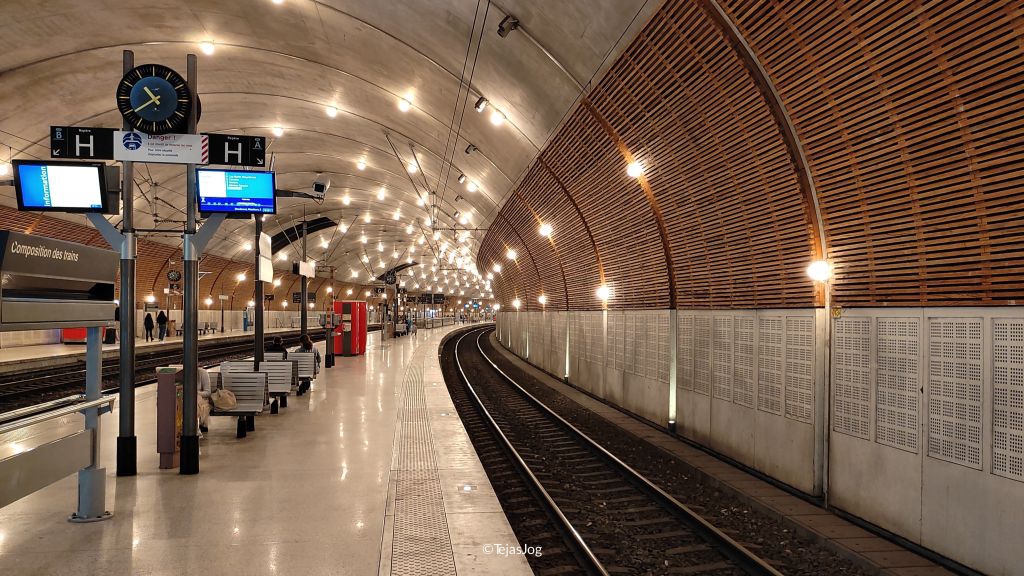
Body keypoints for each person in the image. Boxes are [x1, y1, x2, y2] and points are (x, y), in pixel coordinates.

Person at [198, 366, 212, 435]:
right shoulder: (180, 373)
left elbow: (208, 392)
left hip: (202, 400)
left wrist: (194, 393)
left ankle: (194, 429)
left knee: (195, 403)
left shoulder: (203, 373)